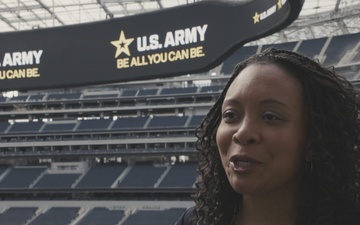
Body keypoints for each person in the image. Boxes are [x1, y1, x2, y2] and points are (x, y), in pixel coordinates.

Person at [175, 48, 360, 225]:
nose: (242, 133)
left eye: (270, 117)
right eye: (231, 115)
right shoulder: (195, 221)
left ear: (313, 141)